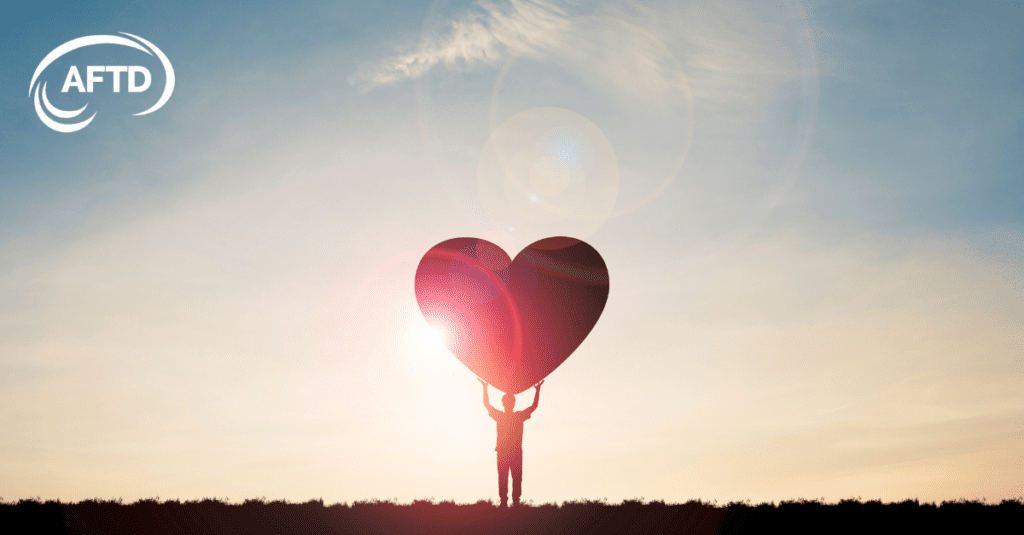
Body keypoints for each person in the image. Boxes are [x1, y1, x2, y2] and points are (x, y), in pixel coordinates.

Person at [479, 378, 543, 507]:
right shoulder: (510, 416)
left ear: (511, 404)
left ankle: (513, 502)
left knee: (514, 477)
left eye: (509, 402)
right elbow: (487, 404)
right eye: (507, 402)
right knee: (506, 478)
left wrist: (538, 391)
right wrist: (485, 388)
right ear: (505, 404)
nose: (508, 404)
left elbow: (534, 406)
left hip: (511, 452)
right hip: (505, 452)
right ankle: (506, 502)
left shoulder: (508, 416)